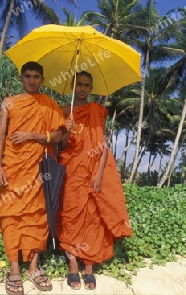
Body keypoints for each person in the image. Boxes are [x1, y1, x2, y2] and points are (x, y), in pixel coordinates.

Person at [0, 61, 71, 295]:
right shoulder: (9, 103)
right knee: (10, 215)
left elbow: (58, 136)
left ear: (43, 79)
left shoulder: (49, 105)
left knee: (38, 215)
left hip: (39, 168)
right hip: (13, 167)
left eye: (36, 76)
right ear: (21, 78)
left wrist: (32, 135)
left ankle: (34, 267)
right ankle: (15, 269)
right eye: (27, 76)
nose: (31, 80)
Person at [57, 71, 133, 290]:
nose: (82, 88)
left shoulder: (97, 112)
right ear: (73, 86)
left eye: (86, 85)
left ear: (91, 88)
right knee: (70, 216)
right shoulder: (64, 112)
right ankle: (73, 263)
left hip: (92, 172)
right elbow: (60, 146)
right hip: (71, 172)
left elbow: (103, 145)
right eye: (79, 84)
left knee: (93, 217)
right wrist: (66, 130)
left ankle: (88, 265)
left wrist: (99, 174)